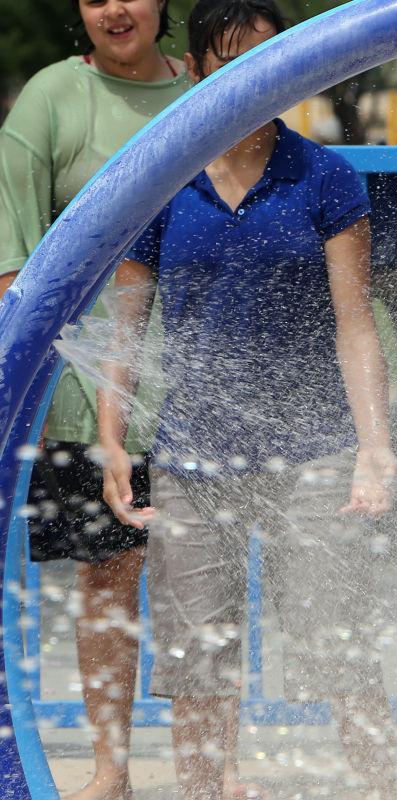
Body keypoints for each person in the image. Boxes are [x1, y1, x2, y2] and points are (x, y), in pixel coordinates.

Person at [96, 2, 397, 798]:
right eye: (233, 63)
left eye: (270, 63)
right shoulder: (161, 179)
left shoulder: (324, 176)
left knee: (341, 642)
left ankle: (377, 786)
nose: (253, 82)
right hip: (195, 450)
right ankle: (206, 788)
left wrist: (374, 447)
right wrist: (111, 439)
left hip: (314, 447)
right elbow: (124, 329)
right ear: (197, 69)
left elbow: (355, 320)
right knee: (197, 657)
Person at [0, 3, 188, 798]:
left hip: (197, 382)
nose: (113, 8)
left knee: (202, 579)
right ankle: (112, 768)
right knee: (108, 577)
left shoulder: (207, 88)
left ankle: (212, 766)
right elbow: (12, 260)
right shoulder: (51, 97)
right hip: (84, 389)